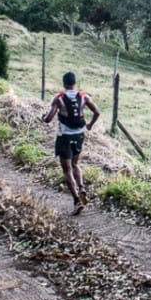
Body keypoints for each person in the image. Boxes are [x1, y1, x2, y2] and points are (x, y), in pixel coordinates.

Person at [42, 71, 101, 214]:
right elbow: (97, 112)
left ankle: (77, 200)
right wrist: (90, 125)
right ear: (75, 83)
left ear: (64, 83)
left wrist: (43, 117)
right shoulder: (84, 96)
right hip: (80, 135)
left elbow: (49, 118)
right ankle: (81, 188)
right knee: (75, 164)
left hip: (65, 137)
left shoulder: (58, 99)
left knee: (67, 169)